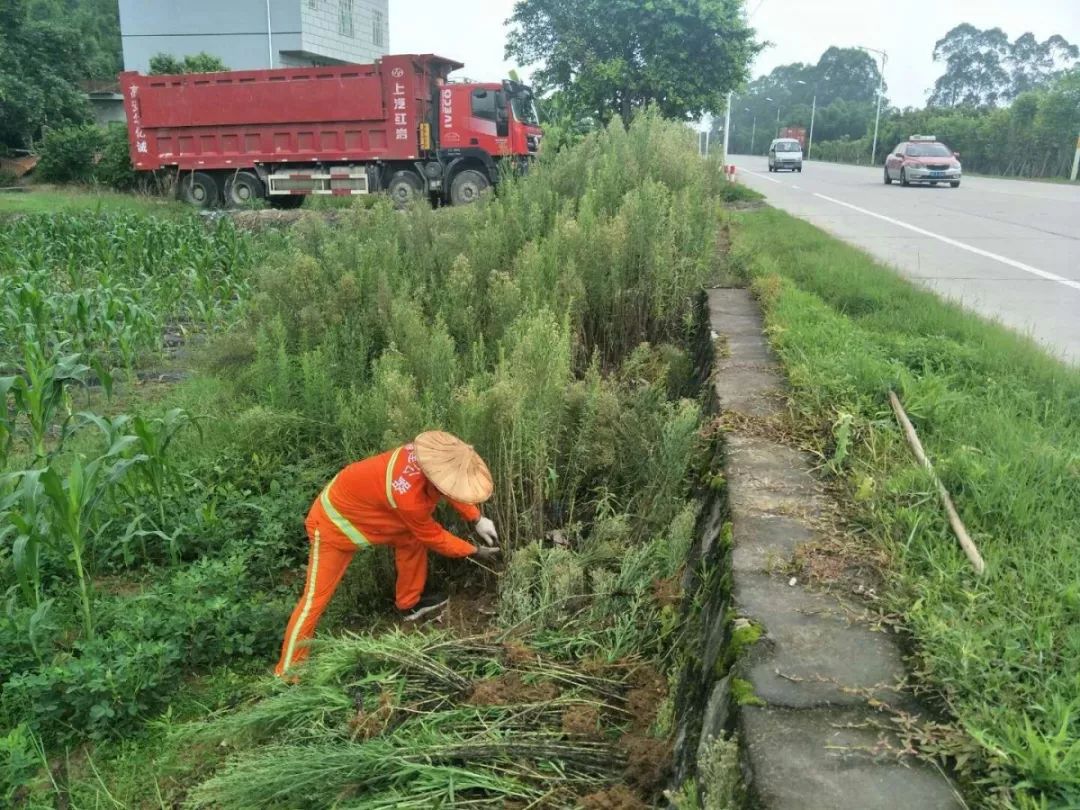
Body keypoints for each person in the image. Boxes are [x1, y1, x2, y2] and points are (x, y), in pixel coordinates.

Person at [274, 431, 500, 676]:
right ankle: (287, 673)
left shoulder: (429, 456)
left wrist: (476, 517)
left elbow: (448, 483)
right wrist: (476, 551)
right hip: (332, 526)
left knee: (410, 538)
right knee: (314, 601)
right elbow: (433, 536)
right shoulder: (409, 498)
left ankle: (409, 604)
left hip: (371, 511)